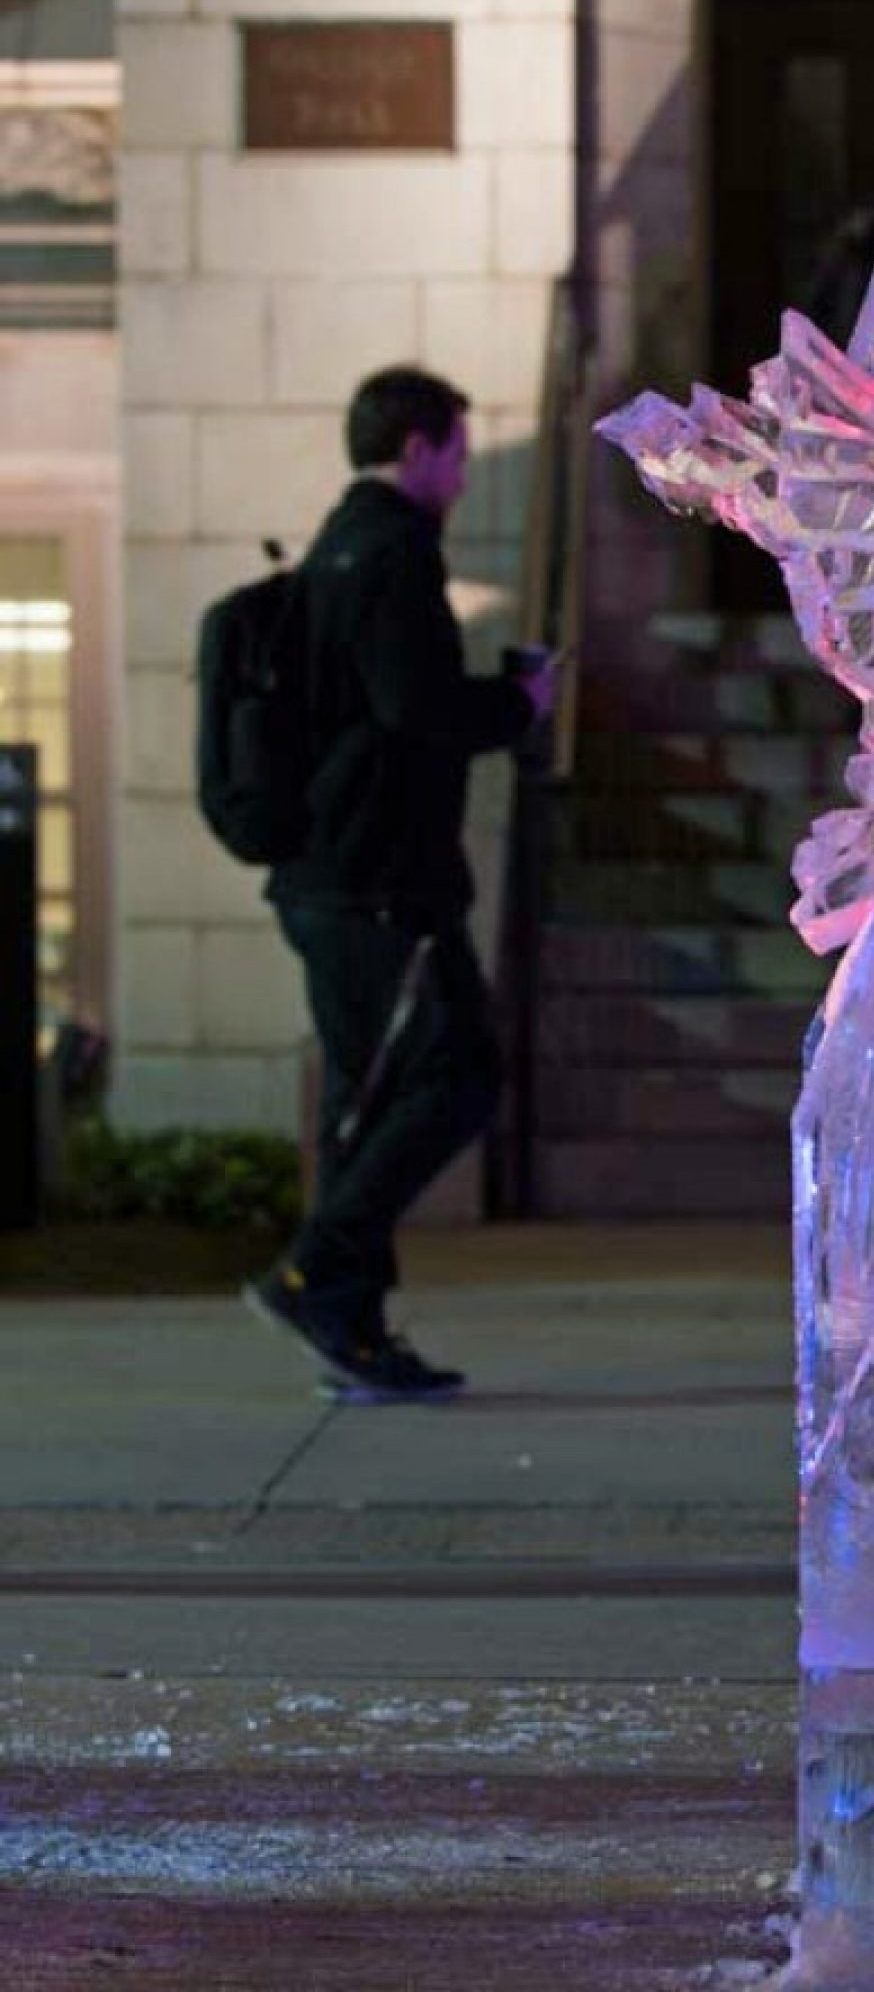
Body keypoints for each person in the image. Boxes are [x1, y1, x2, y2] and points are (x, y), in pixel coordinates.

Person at [245, 367, 557, 1397]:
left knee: (365, 1101)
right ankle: (317, 1273)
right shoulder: (391, 551)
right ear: (417, 448)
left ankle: (352, 1329)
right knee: (457, 1071)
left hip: (330, 877)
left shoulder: (337, 547)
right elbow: (415, 706)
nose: (465, 475)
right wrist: (518, 702)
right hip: (379, 880)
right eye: (459, 452)